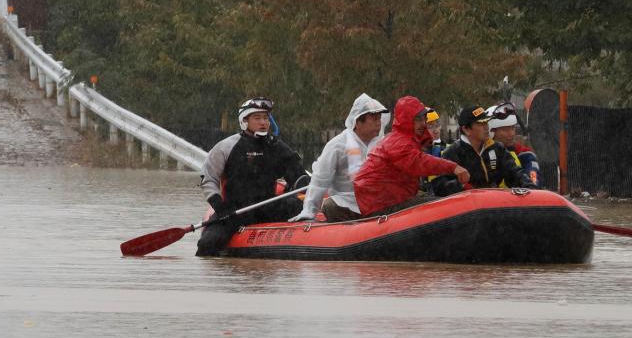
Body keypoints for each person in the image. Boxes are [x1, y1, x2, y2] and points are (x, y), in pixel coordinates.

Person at [197, 98, 306, 256]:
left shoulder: (277, 147)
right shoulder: (226, 147)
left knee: (298, 204)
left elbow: (298, 176)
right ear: (244, 121)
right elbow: (208, 179)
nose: (263, 122)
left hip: (268, 207)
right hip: (234, 211)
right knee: (208, 244)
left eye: (266, 118)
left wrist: (302, 182)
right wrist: (219, 205)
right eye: (257, 118)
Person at [353, 95, 469, 216]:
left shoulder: (403, 140)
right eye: (418, 119)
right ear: (406, 120)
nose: (423, 123)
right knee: (444, 209)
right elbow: (419, 162)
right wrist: (453, 167)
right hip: (382, 205)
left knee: (440, 204)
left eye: (424, 118)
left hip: (392, 200)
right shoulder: (398, 142)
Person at [290, 93, 389, 223]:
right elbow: (320, 180)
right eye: (374, 119)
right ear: (357, 122)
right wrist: (309, 210)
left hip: (378, 200)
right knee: (330, 206)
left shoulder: (383, 142)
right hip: (348, 201)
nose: (378, 123)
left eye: (379, 118)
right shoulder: (337, 145)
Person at [430, 105, 536, 196]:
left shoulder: (498, 148)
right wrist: (461, 185)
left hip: (494, 206)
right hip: (467, 210)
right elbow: (438, 186)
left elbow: (515, 174)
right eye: (481, 124)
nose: (486, 127)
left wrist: (532, 190)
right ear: (466, 129)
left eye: (487, 122)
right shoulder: (452, 153)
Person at [486, 102, 541, 187]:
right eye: (505, 129)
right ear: (491, 131)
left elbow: (533, 179)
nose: (512, 133)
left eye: (513, 128)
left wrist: (533, 184)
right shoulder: (478, 153)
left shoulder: (525, 154)